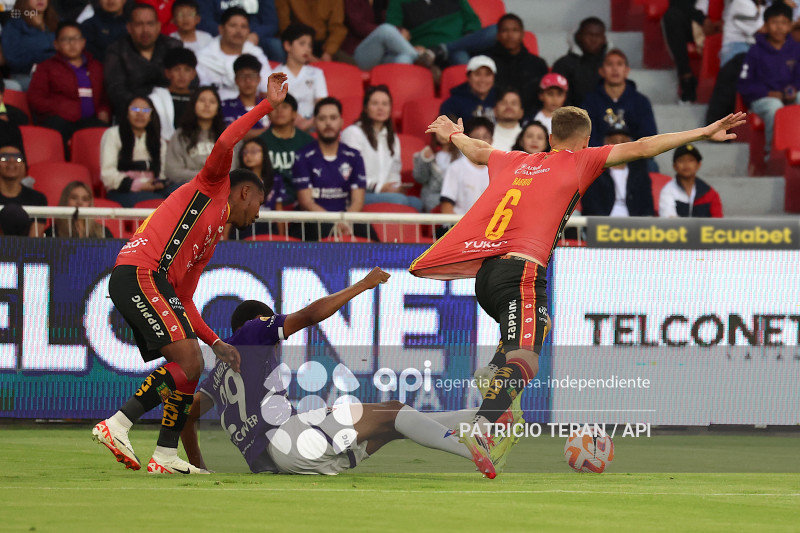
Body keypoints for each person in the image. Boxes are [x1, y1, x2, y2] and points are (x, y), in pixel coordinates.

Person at [413, 107, 745, 477]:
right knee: (527, 358)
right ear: (585, 141)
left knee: (541, 324)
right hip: (521, 272)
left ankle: (494, 372)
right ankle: (484, 425)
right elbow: (645, 146)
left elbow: (477, 151)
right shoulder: (581, 160)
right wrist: (702, 133)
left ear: (551, 138)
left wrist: (451, 134)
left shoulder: (517, 160)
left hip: (487, 274)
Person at [91, 72, 288, 475]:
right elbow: (226, 141)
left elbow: (182, 300)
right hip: (139, 273)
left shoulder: (212, 238)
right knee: (189, 361)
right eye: (259, 203)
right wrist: (267, 105)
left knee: (191, 363)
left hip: (150, 282)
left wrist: (216, 342)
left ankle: (164, 456)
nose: (257, 213)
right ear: (245, 192)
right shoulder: (213, 185)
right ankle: (118, 423)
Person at [180, 269, 503, 475]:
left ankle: (484, 415)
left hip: (271, 463)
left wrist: (198, 465)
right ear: (255, 324)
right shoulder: (253, 331)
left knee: (393, 425)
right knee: (392, 410)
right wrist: (363, 284)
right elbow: (309, 315)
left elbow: (186, 413)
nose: (278, 345)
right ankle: (470, 447)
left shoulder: (217, 374)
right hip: (287, 438)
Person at [290, 96, 368, 241]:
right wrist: (334, 222)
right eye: (322, 118)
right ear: (314, 123)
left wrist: (344, 221)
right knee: (319, 228)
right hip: (313, 220)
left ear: (341, 122)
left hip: (346, 218)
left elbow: (358, 200)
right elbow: (306, 202)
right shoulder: (303, 156)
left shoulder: (354, 156)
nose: (328, 123)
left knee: (369, 234)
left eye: (333, 118)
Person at [27, 21, 111, 150]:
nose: (72, 44)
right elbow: (35, 99)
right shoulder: (46, 67)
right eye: (66, 39)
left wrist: (104, 110)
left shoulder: (96, 67)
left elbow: (104, 97)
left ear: (83, 42)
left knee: (104, 133)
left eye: (76, 39)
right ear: (56, 45)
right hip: (59, 122)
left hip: (90, 121)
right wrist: (60, 108)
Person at [340, 85, 421, 210]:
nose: (380, 108)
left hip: (382, 193)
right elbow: (348, 172)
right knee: (400, 201)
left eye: (385, 104)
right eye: (375, 103)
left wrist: (396, 187)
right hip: (358, 193)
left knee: (416, 203)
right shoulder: (353, 133)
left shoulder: (392, 138)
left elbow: (394, 172)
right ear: (366, 108)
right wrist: (379, 187)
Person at [738, 2, 800, 160]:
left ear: (790, 26)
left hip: (788, 97)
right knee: (775, 107)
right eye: (774, 22)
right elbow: (744, 85)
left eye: (784, 23)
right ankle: (771, 153)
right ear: (766, 25)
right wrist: (769, 93)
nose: (779, 27)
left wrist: (793, 88)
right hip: (763, 100)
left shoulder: (796, 49)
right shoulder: (755, 50)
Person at [104, 3, 182, 116]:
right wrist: (144, 108)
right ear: (129, 28)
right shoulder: (117, 50)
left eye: (150, 24)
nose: (145, 30)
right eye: (139, 24)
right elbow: (116, 90)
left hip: (171, 110)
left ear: (158, 26)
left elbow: (191, 81)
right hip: (133, 113)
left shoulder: (173, 46)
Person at [706, 0, 768, 123]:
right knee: (740, 69)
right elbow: (763, 30)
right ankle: (714, 125)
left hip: (754, 51)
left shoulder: (765, 6)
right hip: (735, 53)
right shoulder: (741, 3)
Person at [100, 95, 167, 206]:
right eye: (134, 109)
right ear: (126, 113)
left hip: (153, 189)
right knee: (159, 203)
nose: (140, 114)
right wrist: (137, 185)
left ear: (151, 116)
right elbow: (107, 174)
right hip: (122, 191)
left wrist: (158, 182)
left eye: (145, 110)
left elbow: (162, 173)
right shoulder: (112, 135)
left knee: (180, 196)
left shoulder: (159, 140)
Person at [582, 49, 658, 148]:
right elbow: (585, 136)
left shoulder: (641, 101)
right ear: (601, 71)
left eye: (619, 64)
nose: (615, 69)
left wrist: (628, 145)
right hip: (600, 156)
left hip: (634, 156)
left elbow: (650, 137)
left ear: (626, 71)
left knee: (650, 163)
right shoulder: (590, 101)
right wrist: (606, 145)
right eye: (609, 64)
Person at [385, 0, 496, 66]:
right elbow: (394, 31)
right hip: (426, 53)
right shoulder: (397, 1)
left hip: (460, 44)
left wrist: (467, 39)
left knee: (497, 30)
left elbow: (472, 19)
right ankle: (445, 49)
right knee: (460, 55)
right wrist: (410, 47)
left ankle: (444, 49)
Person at [196, 7, 273, 101]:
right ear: (221, 29)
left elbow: (268, 91)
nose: (238, 31)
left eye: (243, 26)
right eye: (233, 25)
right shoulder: (203, 57)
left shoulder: (256, 54)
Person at [581, 121, 654, 217]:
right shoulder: (594, 170)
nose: (619, 145)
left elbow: (647, 206)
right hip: (601, 226)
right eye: (614, 141)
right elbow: (590, 206)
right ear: (605, 143)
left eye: (623, 142)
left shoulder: (640, 171)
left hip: (634, 227)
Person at [343, 0, 435, 71]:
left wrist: (399, 32)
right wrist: (397, 31)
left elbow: (389, 21)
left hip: (383, 54)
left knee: (405, 57)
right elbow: (359, 27)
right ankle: (418, 57)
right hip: (358, 56)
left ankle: (399, 92)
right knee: (385, 30)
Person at [661, 0, 722, 103]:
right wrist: (703, 20)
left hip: (726, 21)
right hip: (695, 19)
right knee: (671, 16)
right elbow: (677, 3)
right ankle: (687, 79)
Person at [165, 87, 226, 188]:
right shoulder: (180, 135)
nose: (207, 105)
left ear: (217, 109)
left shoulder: (226, 136)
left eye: (212, 102)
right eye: (202, 100)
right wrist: (205, 177)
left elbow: (232, 170)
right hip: (188, 187)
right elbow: (172, 171)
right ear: (193, 105)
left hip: (220, 189)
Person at [487, 13, 548, 115]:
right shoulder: (488, 63)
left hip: (532, 120)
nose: (510, 35)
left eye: (515, 30)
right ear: (498, 35)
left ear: (522, 34)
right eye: (505, 30)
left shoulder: (538, 64)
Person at [259, 92, 313, 205]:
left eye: (285, 107)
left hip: (302, 204)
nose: (279, 111)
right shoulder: (259, 142)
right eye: (275, 107)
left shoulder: (308, 141)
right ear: (268, 113)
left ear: (294, 114)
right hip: (268, 204)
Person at [275, 24, 328, 131]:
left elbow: (322, 106)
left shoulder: (317, 73)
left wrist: (308, 123)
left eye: (309, 45)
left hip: (313, 126)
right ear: (287, 46)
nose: (307, 49)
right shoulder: (274, 75)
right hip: (284, 126)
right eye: (302, 43)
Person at [197, 0, 283, 62]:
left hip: (254, 37)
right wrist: (227, 32)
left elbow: (271, 23)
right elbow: (204, 21)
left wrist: (256, 35)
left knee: (276, 46)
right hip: (221, 36)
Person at [439, 117, 492, 216]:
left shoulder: (499, 169)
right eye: (476, 137)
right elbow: (447, 206)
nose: (481, 142)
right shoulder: (455, 168)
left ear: (492, 140)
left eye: (485, 137)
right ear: (468, 139)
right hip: (459, 225)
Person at [1, 0, 59, 90]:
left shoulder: (59, 23)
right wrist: (48, 57)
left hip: (59, 73)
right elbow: (14, 59)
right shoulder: (14, 25)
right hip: (26, 76)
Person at [551, 17, 607, 107]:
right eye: (588, 35)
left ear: (604, 39)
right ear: (578, 37)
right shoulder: (563, 64)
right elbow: (557, 99)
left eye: (598, 35)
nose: (593, 39)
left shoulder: (610, 65)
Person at [659, 143, 723, 218]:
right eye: (681, 160)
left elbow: (718, 223)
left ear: (698, 165)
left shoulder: (710, 193)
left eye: (691, 160)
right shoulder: (668, 190)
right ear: (674, 166)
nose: (686, 164)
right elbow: (669, 222)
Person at [149, 46, 197, 141]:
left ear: (193, 74)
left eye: (187, 70)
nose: (182, 75)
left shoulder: (198, 98)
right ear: (167, 73)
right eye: (176, 69)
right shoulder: (156, 98)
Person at [275, 0, 347, 62]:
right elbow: (284, 26)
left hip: (324, 43)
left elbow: (338, 28)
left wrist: (328, 52)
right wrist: (304, 51)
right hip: (296, 40)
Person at [220, 54, 269, 139]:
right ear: (236, 80)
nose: (247, 81)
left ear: (259, 79)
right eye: (242, 76)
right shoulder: (225, 107)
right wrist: (269, 132)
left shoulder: (269, 107)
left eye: (252, 76)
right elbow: (230, 135)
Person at [43, 180, 113, 237]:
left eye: (85, 199)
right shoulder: (52, 232)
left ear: (90, 204)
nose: (79, 202)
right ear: (65, 200)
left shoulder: (103, 232)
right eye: (74, 198)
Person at [440, 55, 496, 122]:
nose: (482, 79)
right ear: (468, 77)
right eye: (477, 74)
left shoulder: (501, 99)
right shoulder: (452, 104)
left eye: (487, 75)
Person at [413, 135, 460, 212]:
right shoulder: (428, 153)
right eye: (439, 130)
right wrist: (425, 160)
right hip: (433, 199)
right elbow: (420, 178)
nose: (442, 134)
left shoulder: (463, 156)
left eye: (445, 129)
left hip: (457, 198)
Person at [491, 88, 523, 152]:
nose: (509, 107)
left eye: (514, 103)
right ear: (494, 110)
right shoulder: (484, 137)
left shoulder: (529, 138)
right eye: (504, 103)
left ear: (521, 112)